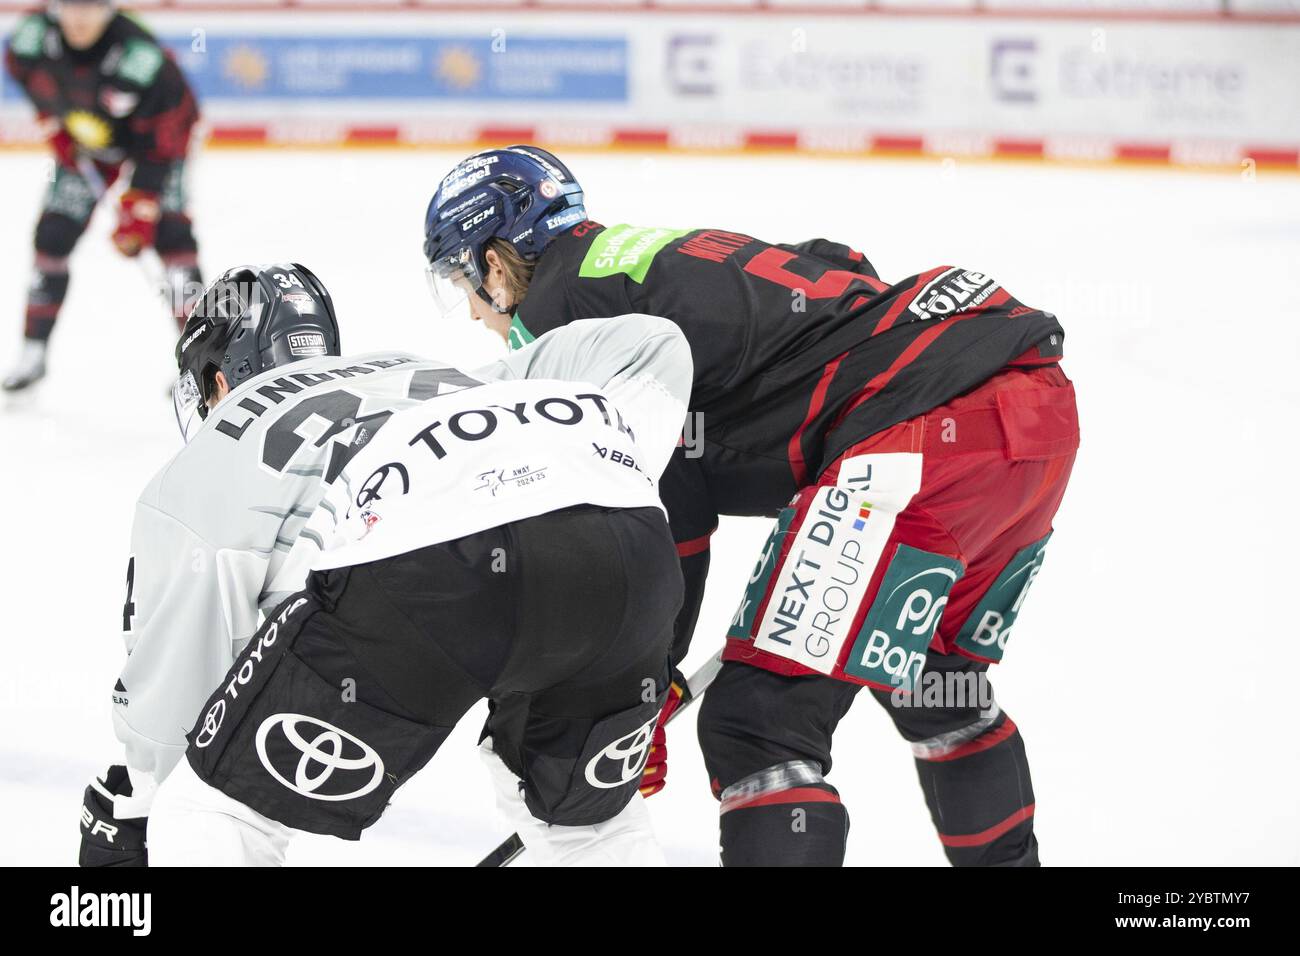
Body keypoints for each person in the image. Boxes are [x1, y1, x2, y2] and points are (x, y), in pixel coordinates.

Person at [422, 145, 1080, 866]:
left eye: (464, 280)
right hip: (1028, 414)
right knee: (935, 683)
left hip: (915, 440)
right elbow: (839, 261)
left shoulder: (564, 316)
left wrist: (642, 685)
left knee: (760, 725)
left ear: (493, 263)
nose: (479, 316)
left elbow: (663, 516)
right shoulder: (638, 258)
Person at [115, 264, 691, 867]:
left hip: (426, 574)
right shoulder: (425, 370)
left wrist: (136, 805)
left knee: (215, 810)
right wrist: (587, 487)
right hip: (626, 544)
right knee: (590, 830)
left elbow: (174, 701)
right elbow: (655, 342)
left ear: (219, 379)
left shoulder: (227, 435)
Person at [3, 0, 202, 392]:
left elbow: (170, 132)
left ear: (110, 10)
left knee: (173, 241)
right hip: (88, 143)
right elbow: (20, 69)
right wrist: (51, 121)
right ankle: (33, 351)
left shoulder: (140, 56)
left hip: (158, 147)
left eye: (91, 7)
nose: (79, 18)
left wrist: (140, 204)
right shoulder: (32, 37)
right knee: (53, 235)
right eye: (70, 7)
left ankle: (206, 359)